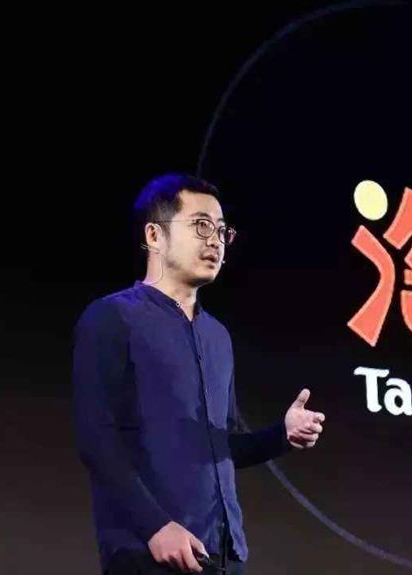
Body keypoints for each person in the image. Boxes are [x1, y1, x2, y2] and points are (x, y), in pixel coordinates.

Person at [72, 174, 325, 574]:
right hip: (149, 551)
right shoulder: (113, 317)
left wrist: (282, 435)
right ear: (154, 235)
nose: (216, 242)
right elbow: (96, 438)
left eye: (222, 232)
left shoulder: (217, 336)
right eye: (202, 226)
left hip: (223, 553)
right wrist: (155, 527)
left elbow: (221, 445)